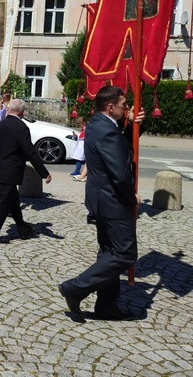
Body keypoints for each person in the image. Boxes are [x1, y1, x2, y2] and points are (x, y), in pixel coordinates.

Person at [58, 85, 144, 323]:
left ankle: (106, 305)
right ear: (111, 106)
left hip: (101, 199)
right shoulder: (107, 131)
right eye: (124, 105)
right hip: (112, 201)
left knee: (108, 252)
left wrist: (137, 125)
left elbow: (120, 148)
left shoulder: (98, 124)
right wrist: (131, 198)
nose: (126, 109)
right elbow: (119, 172)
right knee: (125, 254)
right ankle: (75, 288)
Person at [0, 99, 52, 243]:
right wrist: (44, 173)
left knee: (13, 201)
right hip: (10, 171)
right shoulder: (21, 127)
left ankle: (22, 228)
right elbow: (30, 151)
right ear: (22, 111)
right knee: (1, 203)